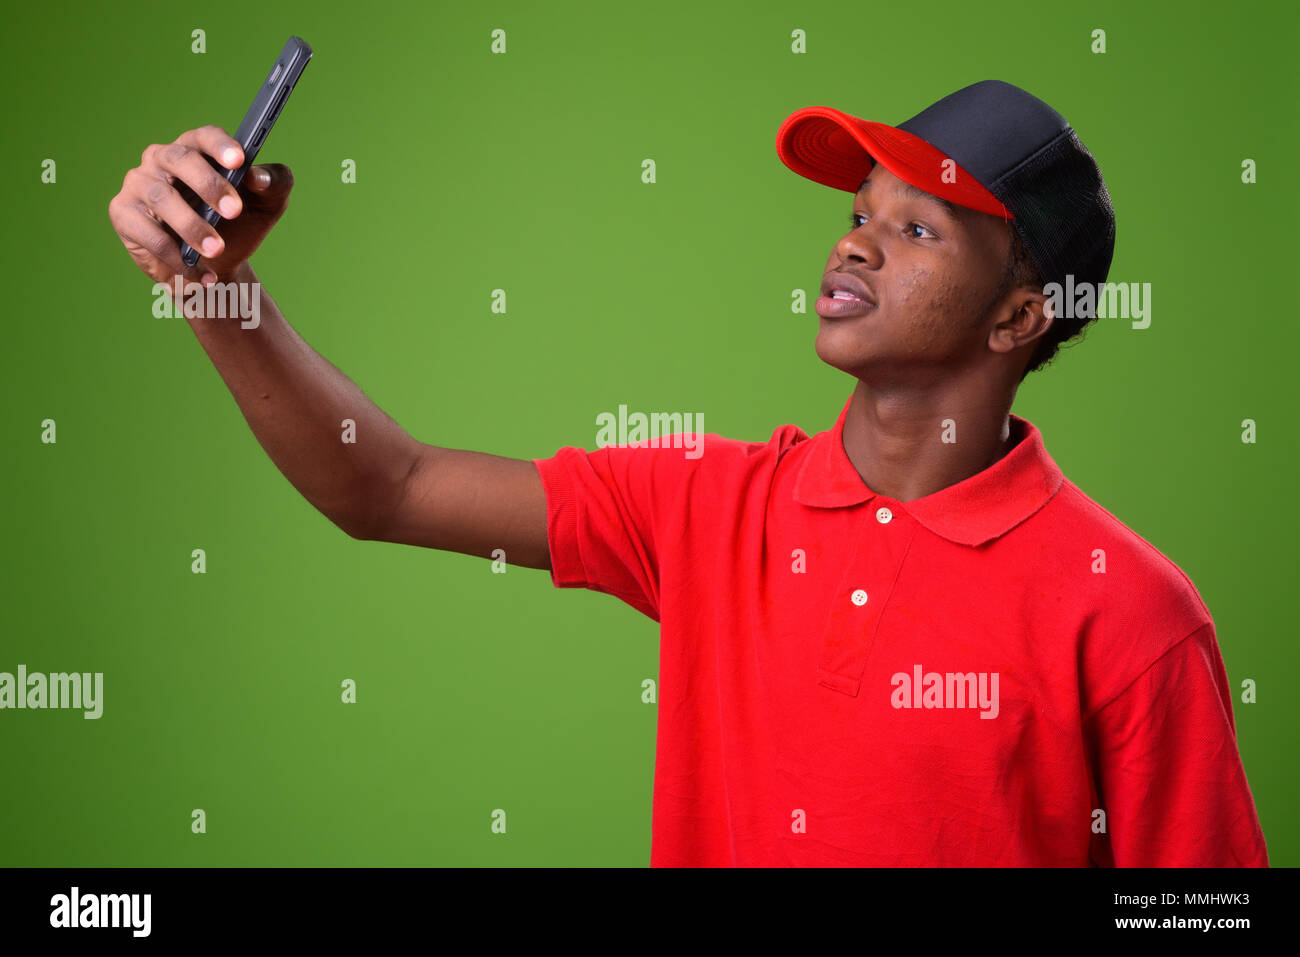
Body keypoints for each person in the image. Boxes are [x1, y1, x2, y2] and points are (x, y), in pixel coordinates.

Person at [108, 79, 1268, 867]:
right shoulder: (708, 506)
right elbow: (388, 487)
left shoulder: (1129, 611)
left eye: (919, 230)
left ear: (1021, 315)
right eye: (860, 211)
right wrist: (212, 286)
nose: (852, 240)